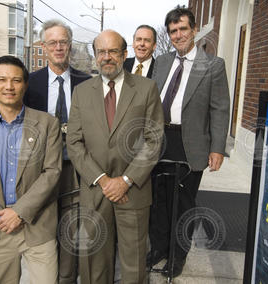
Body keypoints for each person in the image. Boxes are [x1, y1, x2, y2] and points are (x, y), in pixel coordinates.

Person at [66, 29, 164, 284]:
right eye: (101, 51)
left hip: (133, 191)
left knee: (134, 265)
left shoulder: (146, 88)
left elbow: (154, 140)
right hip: (95, 189)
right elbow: (74, 141)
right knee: (94, 262)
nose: (106, 57)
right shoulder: (82, 92)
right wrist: (102, 179)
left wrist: (126, 180)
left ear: (124, 54)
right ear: (95, 55)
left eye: (113, 51)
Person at [0, 55, 62, 284]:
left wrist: (19, 212)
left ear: (25, 85)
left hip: (37, 225)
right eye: (2, 80)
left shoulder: (47, 124)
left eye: (16, 80)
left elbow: (52, 172)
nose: (9, 86)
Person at [148, 7, 230, 278]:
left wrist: (217, 148)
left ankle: (178, 255)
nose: (178, 35)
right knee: (157, 200)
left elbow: (220, 109)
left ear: (194, 30)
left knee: (183, 203)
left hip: (190, 143)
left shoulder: (213, 66)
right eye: (173, 31)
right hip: (159, 141)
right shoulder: (160, 62)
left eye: (183, 29)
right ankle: (159, 247)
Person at [23, 19, 91, 284]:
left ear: (70, 46)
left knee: (71, 226)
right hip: (39, 169)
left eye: (63, 42)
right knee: (42, 227)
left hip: (75, 169)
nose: (59, 47)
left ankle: (66, 277)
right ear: (44, 46)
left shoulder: (86, 83)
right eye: (53, 43)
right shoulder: (30, 83)